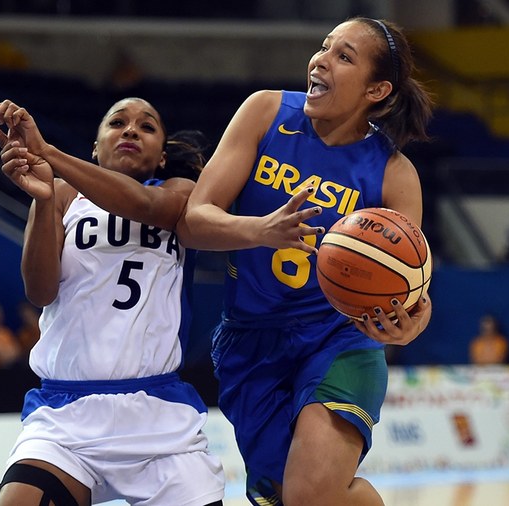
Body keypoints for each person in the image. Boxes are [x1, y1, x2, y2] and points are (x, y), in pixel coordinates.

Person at [182, 17, 434, 505]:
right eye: (324, 47)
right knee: (285, 497)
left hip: (338, 340)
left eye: (344, 56)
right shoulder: (264, 111)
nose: (320, 60)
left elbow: (414, 287)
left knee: (309, 495)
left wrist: (410, 325)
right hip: (251, 340)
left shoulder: (394, 172)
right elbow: (194, 221)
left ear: (377, 89)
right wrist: (259, 231)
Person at [0, 97, 225, 506]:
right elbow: (40, 292)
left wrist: (50, 153)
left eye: (147, 126)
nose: (131, 130)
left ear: (162, 157)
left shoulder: (181, 194)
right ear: (96, 148)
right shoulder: (61, 195)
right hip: (66, 417)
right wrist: (43, 200)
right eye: (118, 122)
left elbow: (143, 205)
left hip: (157, 419)